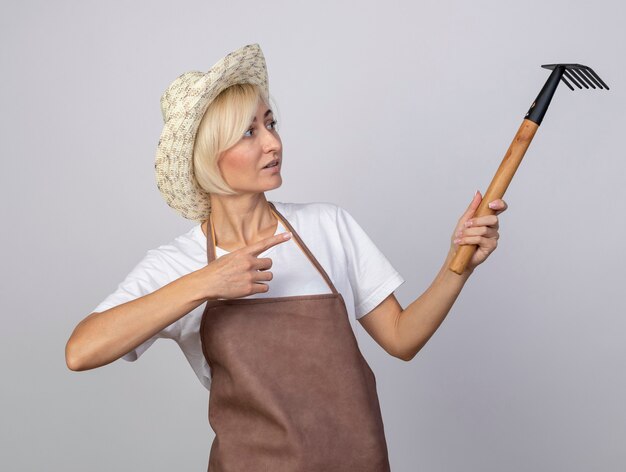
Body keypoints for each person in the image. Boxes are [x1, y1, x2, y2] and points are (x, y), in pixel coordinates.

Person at [65, 43, 508, 471]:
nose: (273, 143)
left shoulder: (328, 227)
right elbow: (81, 351)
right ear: (209, 156)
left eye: (271, 123)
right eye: (249, 132)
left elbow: (401, 338)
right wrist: (206, 282)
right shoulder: (178, 265)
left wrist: (458, 266)